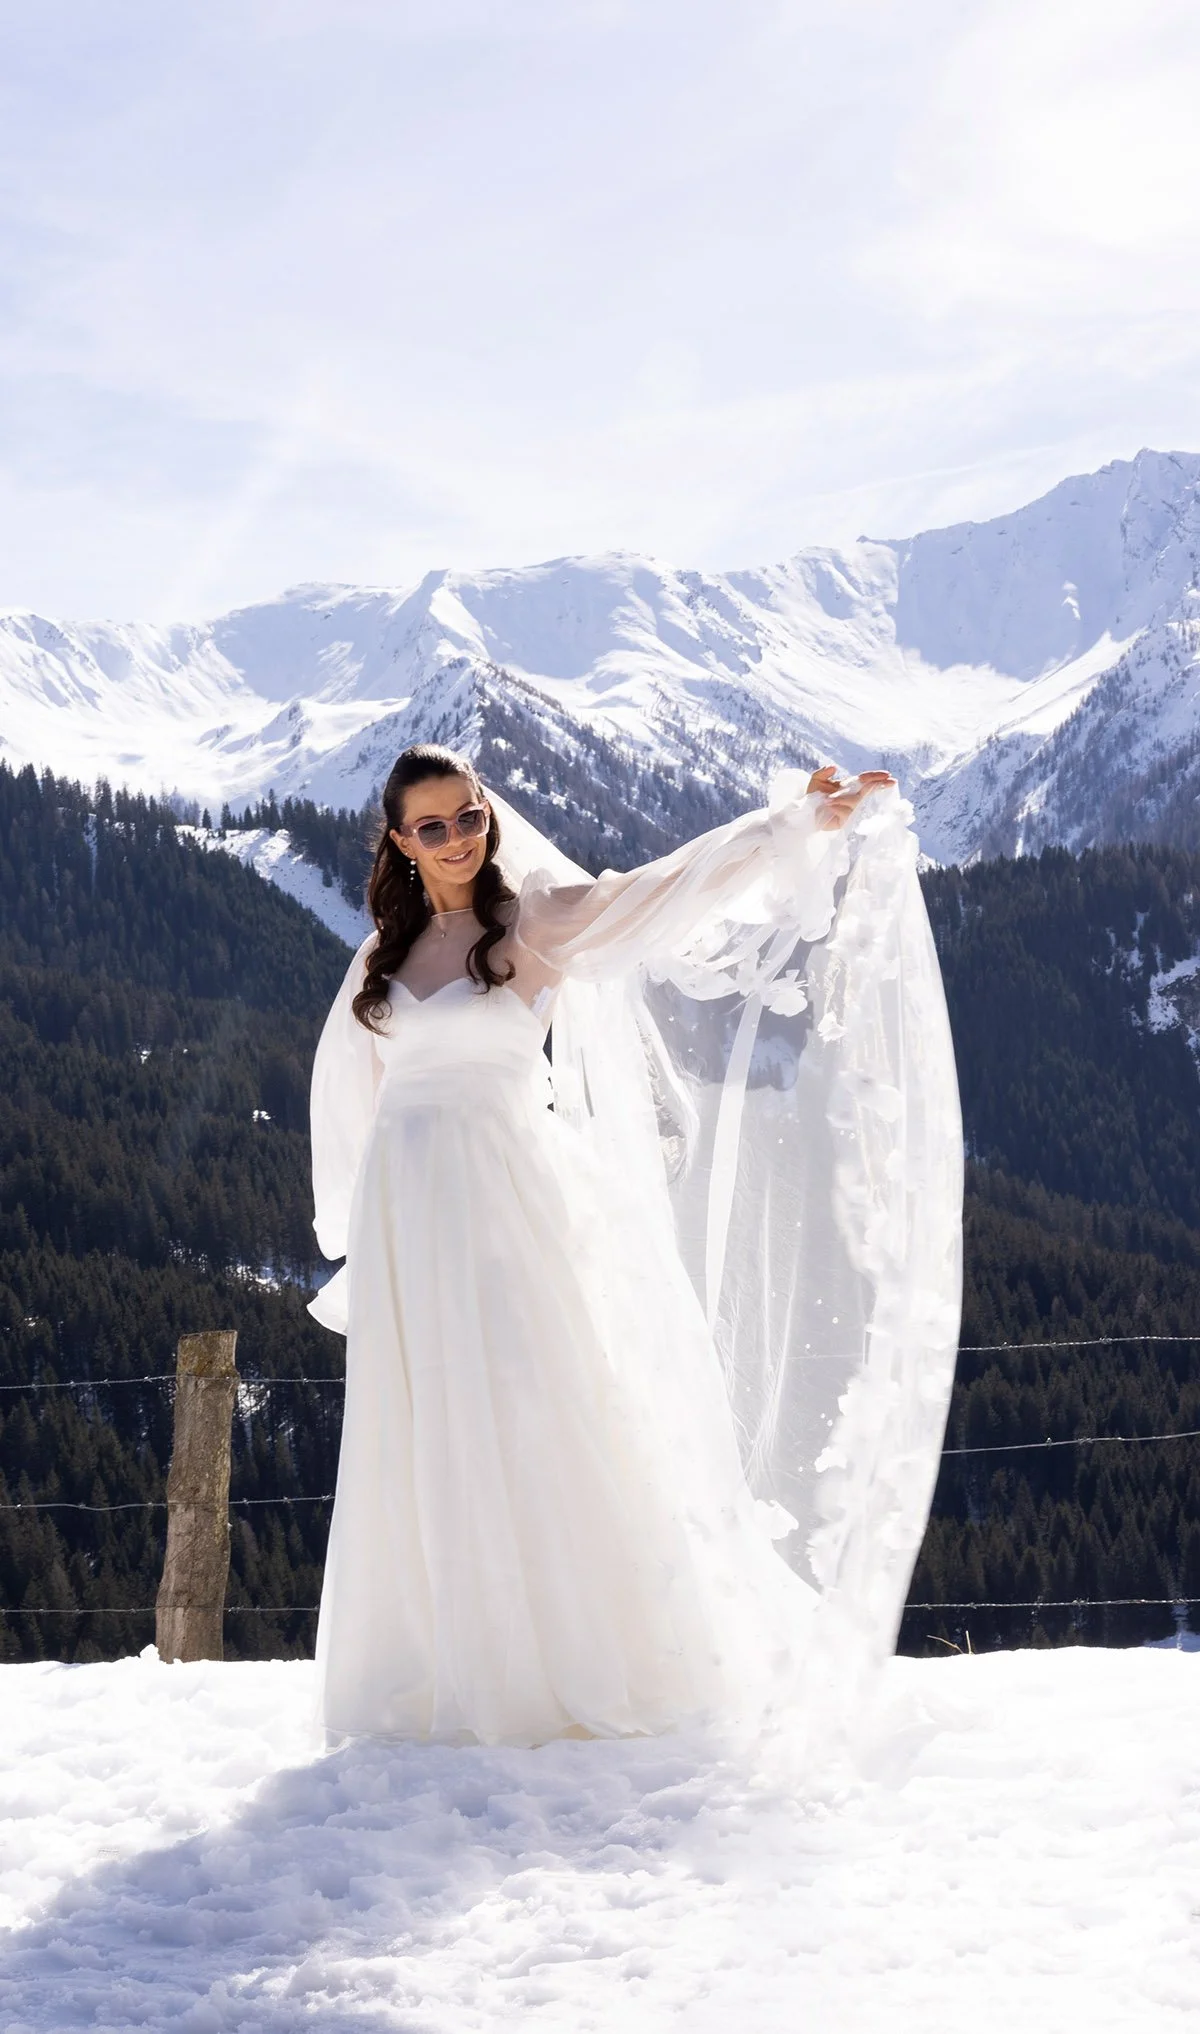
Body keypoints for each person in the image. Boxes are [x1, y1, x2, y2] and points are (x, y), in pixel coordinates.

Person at [307, 745, 963, 1748]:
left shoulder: (537, 919)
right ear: (398, 841)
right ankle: (443, 1663)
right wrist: (359, 1229)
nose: (454, 839)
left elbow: (664, 893)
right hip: (409, 1218)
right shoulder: (380, 958)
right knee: (423, 1419)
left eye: (467, 816)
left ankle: (566, 1655)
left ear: (488, 813)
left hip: (506, 1200)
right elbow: (350, 1093)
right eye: (429, 827)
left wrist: (789, 829)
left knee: (535, 1406)